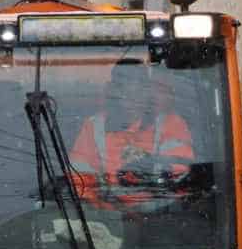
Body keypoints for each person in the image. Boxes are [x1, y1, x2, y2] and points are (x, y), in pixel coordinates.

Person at [67, 60, 195, 211]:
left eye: (137, 90)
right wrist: (104, 206)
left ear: (147, 91)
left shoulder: (172, 124)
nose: (129, 99)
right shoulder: (93, 126)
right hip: (108, 220)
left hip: (160, 217)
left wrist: (146, 163)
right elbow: (78, 179)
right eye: (123, 91)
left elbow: (180, 173)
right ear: (112, 90)